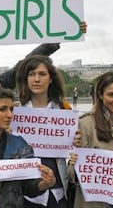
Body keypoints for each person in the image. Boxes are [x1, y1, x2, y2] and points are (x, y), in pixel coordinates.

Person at [16, 54, 81, 208]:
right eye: (31, 74)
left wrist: (75, 143)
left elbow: (73, 154)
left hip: (57, 191)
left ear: (51, 79)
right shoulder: (15, 112)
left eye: (42, 74)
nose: (36, 79)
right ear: (26, 79)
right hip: (26, 193)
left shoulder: (64, 110)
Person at [69, 71, 113, 208]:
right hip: (94, 202)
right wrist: (77, 165)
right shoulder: (85, 124)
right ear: (100, 95)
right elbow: (71, 174)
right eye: (111, 94)